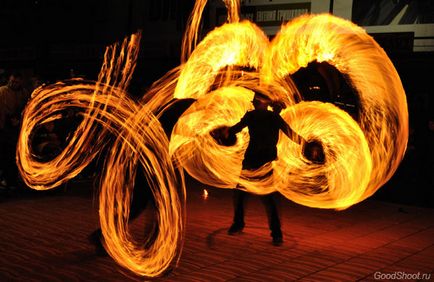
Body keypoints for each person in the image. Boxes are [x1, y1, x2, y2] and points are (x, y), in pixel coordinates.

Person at [212, 91, 323, 246]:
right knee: (257, 198)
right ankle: (273, 233)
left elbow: (234, 130)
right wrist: (307, 145)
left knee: (254, 197)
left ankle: (253, 228)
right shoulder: (266, 117)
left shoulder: (261, 117)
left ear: (260, 103)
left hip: (256, 162)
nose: (255, 104)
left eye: (256, 102)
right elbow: (291, 134)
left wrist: (223, 132)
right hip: (257, 162)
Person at [0, 71, 30, 190]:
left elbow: (26, 108)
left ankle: (12, 180)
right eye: (12, 81)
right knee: (5, 154)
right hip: (4, 127)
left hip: (16, 128)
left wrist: (18, 118)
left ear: (21, 82)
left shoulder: (24, 93)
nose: (13, 83)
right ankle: (6, 179)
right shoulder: (2, 91)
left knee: (14, 155)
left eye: (16, 82)